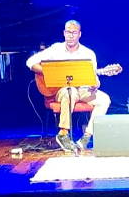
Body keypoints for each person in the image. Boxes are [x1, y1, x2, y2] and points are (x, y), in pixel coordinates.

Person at [26, 20, 111, 153]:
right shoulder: (55, 49)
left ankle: (87, 137)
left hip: (82, 89)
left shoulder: (88, 54)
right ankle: (63, 133)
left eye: (74, 33)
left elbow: (93, 78)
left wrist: (95, 85)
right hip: (62, 90)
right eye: (68, 32)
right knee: (69, 91)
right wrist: (49, 72)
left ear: (79, 34)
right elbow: (30, 62)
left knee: (104, 99)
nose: (71, 36)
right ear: (64, 33)